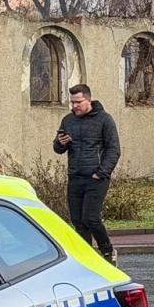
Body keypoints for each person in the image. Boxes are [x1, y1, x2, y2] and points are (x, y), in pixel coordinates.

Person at [53, 83, 121, 263]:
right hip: (75, 176)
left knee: (91, 218)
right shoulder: (68, 120)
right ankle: (87, 257)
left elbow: (113, 149)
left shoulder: (105, 120)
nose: (74, 106)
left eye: (78, 102)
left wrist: (102, 172)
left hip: (96, 178)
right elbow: (57, 148)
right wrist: (61, 143)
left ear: (88, 100)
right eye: (72, 102)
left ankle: (108, 252)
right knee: (77, 221)